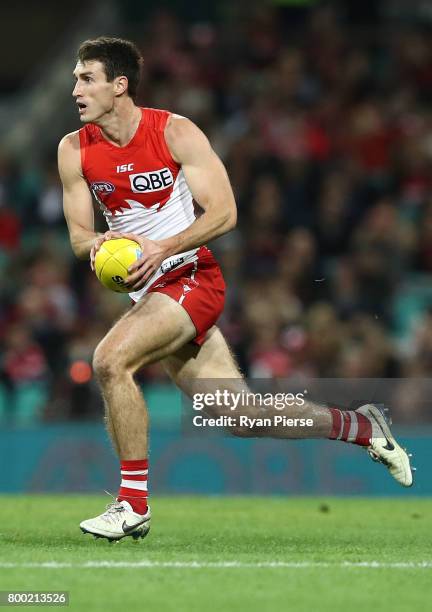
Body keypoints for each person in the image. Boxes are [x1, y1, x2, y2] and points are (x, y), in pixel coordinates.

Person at [58, 37, 414, 542]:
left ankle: (132, 503)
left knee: (110, 360)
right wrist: (100, 245)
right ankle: (361, 427)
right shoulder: (73, 149)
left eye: (86, 78)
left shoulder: (174, 132)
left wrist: (162, 247)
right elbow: (77, 238)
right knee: (239, 413)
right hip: (148, 293)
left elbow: (225, 212)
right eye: (74, 78)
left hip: (190, 278)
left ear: (119, 86)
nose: (76, 89)